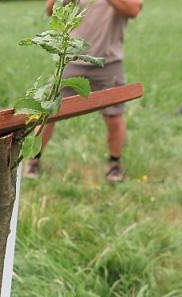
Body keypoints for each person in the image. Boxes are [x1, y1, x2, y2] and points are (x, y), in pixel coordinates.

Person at [26, 0, 143, 182]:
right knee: (48, 113)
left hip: (109, 62)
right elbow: (50, 10)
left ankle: (114, 164)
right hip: (72, 59)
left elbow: (133, 10)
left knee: (114, 117)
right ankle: (33, 159)